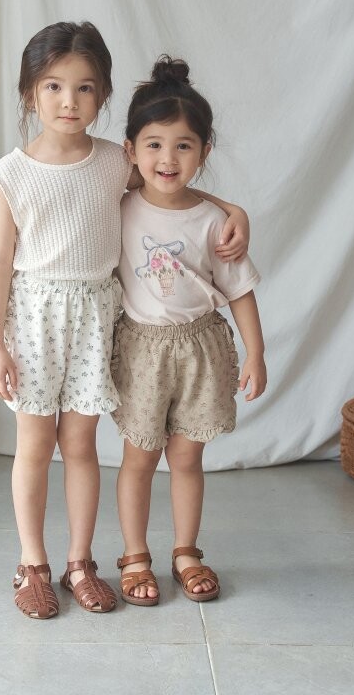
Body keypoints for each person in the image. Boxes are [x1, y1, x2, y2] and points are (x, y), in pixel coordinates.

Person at [0, 22, 250, 619]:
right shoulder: (11, 174)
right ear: (30, 92)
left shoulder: (111, 161)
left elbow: (170, 189)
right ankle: (32, 563)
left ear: (102, 94)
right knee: (35, 443)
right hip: (34, 319)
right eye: (53, 86)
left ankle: (80, 562)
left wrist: (234, 209)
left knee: (80, 443)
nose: (68, 101)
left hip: (94, 316)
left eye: (84, 87)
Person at [112, 56, 267, 607]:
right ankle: (134, 555)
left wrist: (256, 353)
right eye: (153, 144)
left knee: (186, 459)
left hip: (202, 348)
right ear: (131, 150)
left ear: (204, 152)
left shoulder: (214, 223)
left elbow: (240, 290)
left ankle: (186, 552)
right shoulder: (119, 206)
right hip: (141, 350)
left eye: (183, 146)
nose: (167, 158)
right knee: (139, 458)